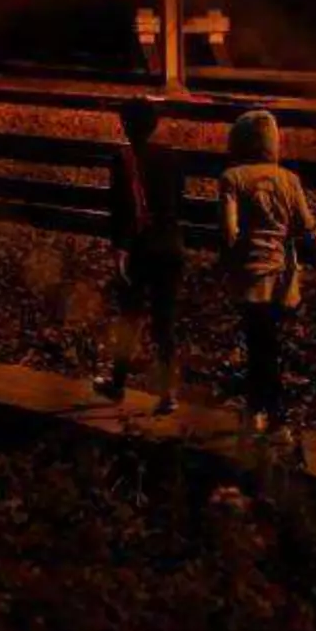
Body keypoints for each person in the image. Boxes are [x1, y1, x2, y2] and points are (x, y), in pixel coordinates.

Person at [219, 109, 316, 446]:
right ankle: (274, 419)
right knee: (270, 348)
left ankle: (260, 416)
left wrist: (231, 260)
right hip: (281, 281)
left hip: (250, 280)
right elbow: (310, 230)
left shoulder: (231, 178)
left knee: (258, 349)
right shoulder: (289, 180)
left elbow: (229, 231)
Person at [100, 98, 185, 413]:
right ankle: (169, 394)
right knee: (165, 323)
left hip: (138, 248)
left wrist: (118, 249)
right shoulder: (172, 158)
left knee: (129, 317)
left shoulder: (122, 159)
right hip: (170, 247)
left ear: (125, 124)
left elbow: (120, 209)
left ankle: (118, 384)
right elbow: (178, 201)